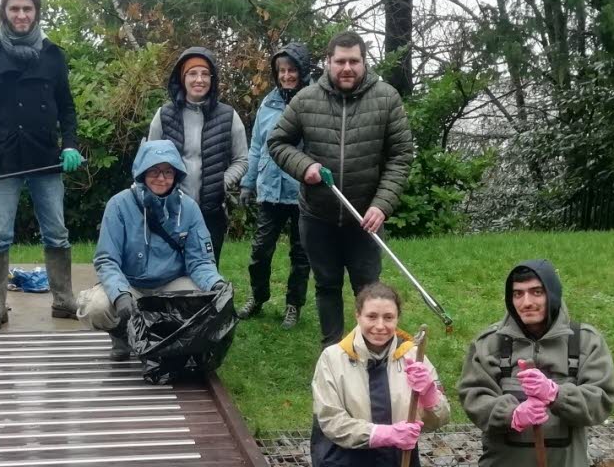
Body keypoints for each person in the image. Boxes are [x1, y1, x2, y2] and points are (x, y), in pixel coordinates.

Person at [458, 260, 614, 467]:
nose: (526, 302)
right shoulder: (489, 343)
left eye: (536, 292)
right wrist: (510, 414)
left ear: (552, 294)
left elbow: (602, 399)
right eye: (518, 294)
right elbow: (473, 396)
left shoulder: (584, 341)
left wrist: (557, 394)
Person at [267, 31, 414, 347]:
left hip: (365, 217)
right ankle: (332, 354)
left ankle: (373, 351)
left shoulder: (387, 98)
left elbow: (401, 156)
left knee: (367, 288)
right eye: (340, 61)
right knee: (327, 285)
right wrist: (303, 166)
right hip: (317, 216)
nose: (347, 68)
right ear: (328, 63)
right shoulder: (306, 100)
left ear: (364, 62)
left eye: (354, 61)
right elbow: (278, 142)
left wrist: (382, 204)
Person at [311, 282, 451, 467]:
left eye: (388, 317)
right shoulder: (333, 359)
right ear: (357, 315)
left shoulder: (415, 356)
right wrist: (384, 435)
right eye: (372, 316)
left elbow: (441, 418)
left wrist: (428, 394)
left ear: (398, 318)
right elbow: (331, 421)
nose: (380, 325)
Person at [0, 0, 82, 332]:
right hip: (4, 161)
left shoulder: (53, 54)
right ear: (4, 11)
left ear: (36, 12)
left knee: (57, 233)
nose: (21, 14)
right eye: (14, 8)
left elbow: (67, 108)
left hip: (47, 158)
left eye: (27, 8)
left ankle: (64, 301)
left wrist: (70, 145)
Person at [77, 140, 227, 360]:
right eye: (154, 171)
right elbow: (106, 259)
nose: (161, 178)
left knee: (206, 301)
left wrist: (217, 284)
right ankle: (122, 337)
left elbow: (200, 261)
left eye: (168, 172)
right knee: (95, 306)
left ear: (177, 175)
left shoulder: (190, 208)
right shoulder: (118, 205)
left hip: (170, 285)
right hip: (130, 284)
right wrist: (120, 295)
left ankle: (168, 341)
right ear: (142, 173)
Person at [237, 42, 314, 329]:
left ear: (302, 70)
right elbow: (257, 146)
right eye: (281, 70)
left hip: (303, 191)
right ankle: (258, 298)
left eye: (292, 70)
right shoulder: (267, 104)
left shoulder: (315, 99)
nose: (286, 75)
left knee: (301, 253)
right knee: (260, 251)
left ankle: (293, 305)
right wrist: (248, 183)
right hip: (270, 189)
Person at [147, 47, 248, 264]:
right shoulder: (163, 115)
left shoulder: (228, 116)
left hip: (211, 211)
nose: (199, 80)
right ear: (182, 78)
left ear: (213, 79)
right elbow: (149, 160)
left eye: (205, 74)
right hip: (170, 208)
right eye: (192, 74)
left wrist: (222, 181)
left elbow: (242, 160)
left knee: (206, 270)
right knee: (168, 268)